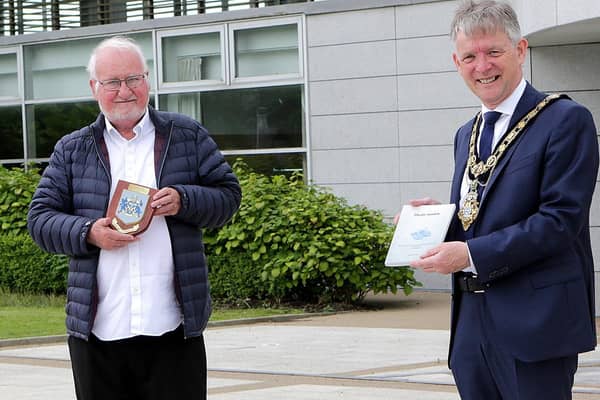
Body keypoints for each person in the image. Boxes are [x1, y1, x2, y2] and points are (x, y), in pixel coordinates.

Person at [400, 1, 599, 399]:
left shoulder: (565, 120)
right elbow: (479, 218)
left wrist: (469, 255)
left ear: (520, 50)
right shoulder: (466, 133)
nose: (482, 66)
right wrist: (432, 222)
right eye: (470, 56)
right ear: (457, 62)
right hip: (471, 328)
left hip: (536, 326)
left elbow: (560, 221)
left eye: (494, 52)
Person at [27, 36, 242, 400]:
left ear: (147, 81)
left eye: (133, 79)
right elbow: (40, 219)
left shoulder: (186, 135)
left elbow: (228, 196)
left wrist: (184, 199)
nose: (124, 91)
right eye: (112, 82)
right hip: (99, 332)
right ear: (95, 88)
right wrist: (88, 232)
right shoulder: (72, 149)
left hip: (173, 327)